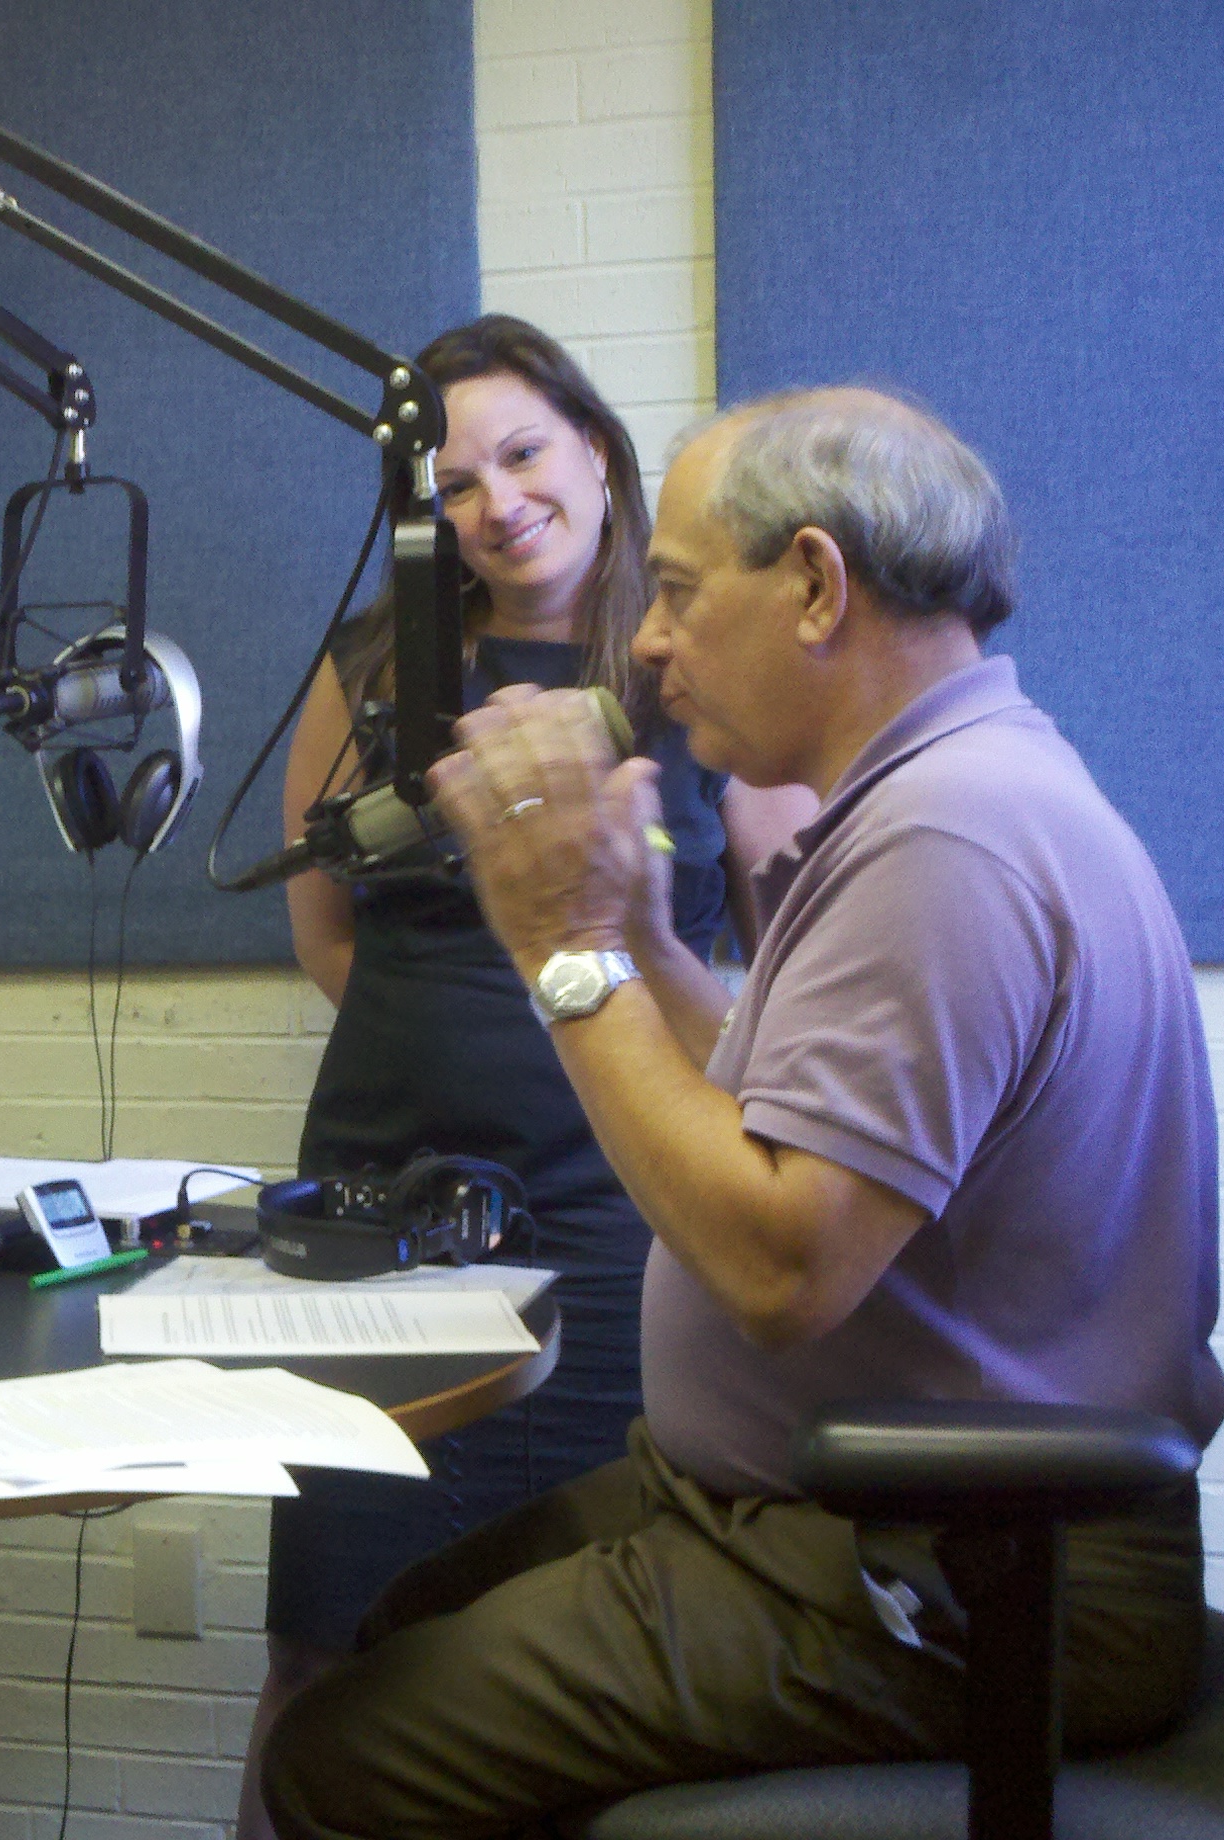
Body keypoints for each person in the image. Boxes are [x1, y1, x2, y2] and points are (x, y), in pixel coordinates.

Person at [254, 388, 1224, 1836]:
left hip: (951, 1572)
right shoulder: (945, 793)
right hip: (816, 1520)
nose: (647, 644)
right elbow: (785, 1122)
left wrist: (564, 948)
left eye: (679, 594)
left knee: (343, 1753)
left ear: (817, 586)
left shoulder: (947, 844)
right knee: (406, 1619)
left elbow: (782, 1266)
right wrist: (646, 940)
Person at [238, 316, 806, 1834]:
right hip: (382, 1221)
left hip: (622, 1219)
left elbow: (777, 980)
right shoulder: (372, 671)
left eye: (524, 453)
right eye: (456, 482)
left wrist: (591, 1049)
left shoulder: (701, 676)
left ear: (599, 454)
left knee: (586, 1651)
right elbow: (329, 935)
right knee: (327, 1646)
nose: (497, 501)